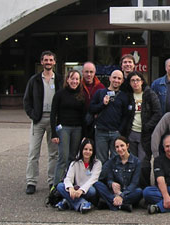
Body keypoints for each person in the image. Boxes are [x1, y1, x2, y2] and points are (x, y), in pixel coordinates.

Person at [23, 50, 62, 194]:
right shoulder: (34, 80)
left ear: (54, 62)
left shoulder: (59, 79)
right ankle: (31, 181)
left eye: (51, 60)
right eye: (46, 60)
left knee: (54, 153)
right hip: (38, 120)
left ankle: (52, 180)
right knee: (33, 152)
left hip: (54, 120)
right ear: (42, 62)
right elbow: (27, 100)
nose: (48, 62)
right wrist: (33, 115)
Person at [123, 71, 162, 189]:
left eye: (137, 80)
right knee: (133, 162)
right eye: (132, 80)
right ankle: (134, 189)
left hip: (145, 134)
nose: (135, 83)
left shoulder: (149, 94)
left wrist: (148, 125)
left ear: (142, 81)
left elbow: (157, 112)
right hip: (131, 133)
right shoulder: (128, 95)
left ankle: (145, 189)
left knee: (144, 162)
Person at [50, 70, 86, 187]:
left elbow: (83, 116)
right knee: (63, 157)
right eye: (72, 79)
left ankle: (68, 183)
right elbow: (53, 114)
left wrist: (84, 134)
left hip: (77, 129)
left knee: (72, 157)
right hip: (63, 128)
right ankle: (56, 186)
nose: (74, 81)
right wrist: (54, 133)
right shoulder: (60, 94)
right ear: (67, 80)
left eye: (77, 79)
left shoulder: (81, 95)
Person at [89, 70, 130, 163]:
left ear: (122, 81)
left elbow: (125, 116)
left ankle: (114, 178)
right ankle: (103, 177)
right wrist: (102, 104)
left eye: (119, 78)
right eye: (114, 77)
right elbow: (91, 109)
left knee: (116, 159)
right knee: (101, 160)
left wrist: (120, 130)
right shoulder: (100, 93)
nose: (116, 80)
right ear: (110, 78)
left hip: (116, 132)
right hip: (101, 132)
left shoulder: (124, 96)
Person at [94, 136, 143, 212]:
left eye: (122, 146)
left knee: (139, 192)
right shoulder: (112, 161)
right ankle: (122, 205)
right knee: (97, 184)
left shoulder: (137, 162)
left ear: (127, 146)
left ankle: (110, 203)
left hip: (128, 193)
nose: (119, 149)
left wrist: (121, 196)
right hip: (114, 193)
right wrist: (112, 183)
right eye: (117, 147)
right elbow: (109, 179)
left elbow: (134, 183)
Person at [54, 138, 101, 214]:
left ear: (93, 151)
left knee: (92, 190)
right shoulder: (74, 163)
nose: (87, 152)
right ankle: (82, 204)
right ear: (81, 150)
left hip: (87, 190)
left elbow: (93, 180)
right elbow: (68, 178)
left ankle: (68, 202)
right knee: (60, 186)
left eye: (90, 150)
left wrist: (81, 190)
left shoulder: (97, 164)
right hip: (75, 189)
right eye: (85, 149)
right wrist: (70, 188)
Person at [81, 62, 105, 138]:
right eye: (86, 72)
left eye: (91, 72)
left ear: (95, 73)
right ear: (82, 72)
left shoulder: (101, 87)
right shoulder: (77, 86)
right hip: (79, 122)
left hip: (95, 123)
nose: (89, 74)